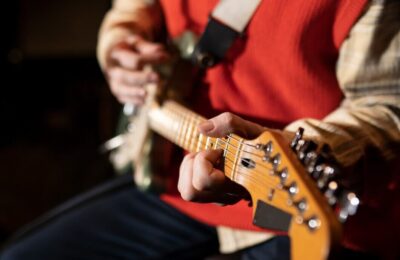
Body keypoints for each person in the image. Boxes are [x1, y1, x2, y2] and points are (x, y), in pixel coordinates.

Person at [1, 0, 399, 259]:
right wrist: (119, 43)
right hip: (177, 181)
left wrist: (301, 147)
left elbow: (387, 107)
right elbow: (134, 9)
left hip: (299, 208)